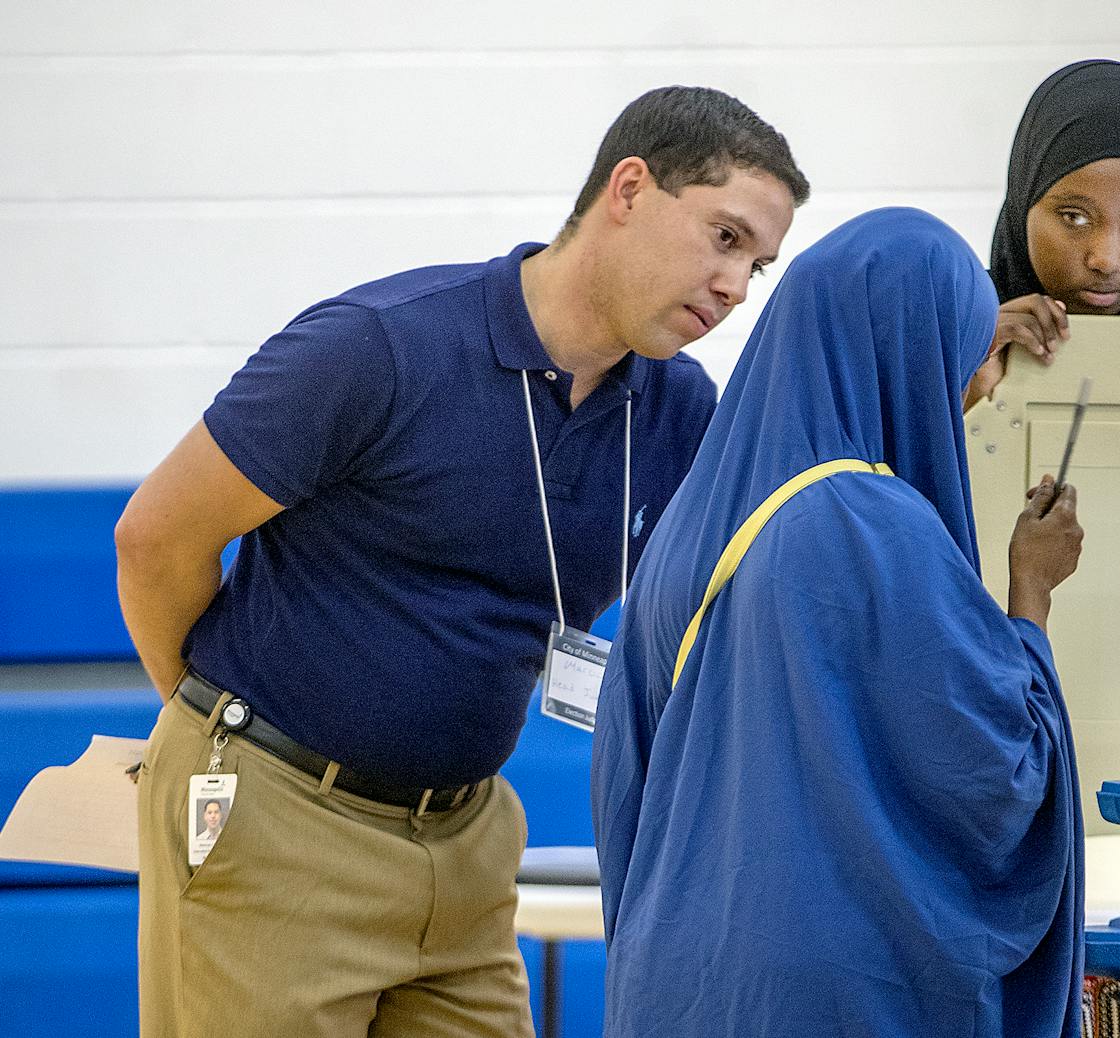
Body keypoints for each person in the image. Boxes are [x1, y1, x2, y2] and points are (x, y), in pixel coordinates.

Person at [115, 85, 809, 1038]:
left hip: (467, 840)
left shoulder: (679, 410)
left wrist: (968, 377)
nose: (736, 287)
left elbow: (806, 538)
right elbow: (155, 539)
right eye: (725, 239)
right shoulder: (380, 346)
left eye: (758, 267)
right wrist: (207, 731)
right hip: (278, 825)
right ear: (631, 188)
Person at [592, 207, 1086, 1037]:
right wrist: (1030, 596)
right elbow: (1000, 774)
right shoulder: (872, 523)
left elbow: (623, 783)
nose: (982, 384)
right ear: (907, 350)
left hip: (674, 988)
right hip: (832, 997)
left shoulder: (690, 523)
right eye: (965, 355)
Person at [967, 59, 1120, 408]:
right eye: (1075, 217)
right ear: (1024, 205)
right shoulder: (945, 338)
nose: (1106, 261)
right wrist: (963, 399)